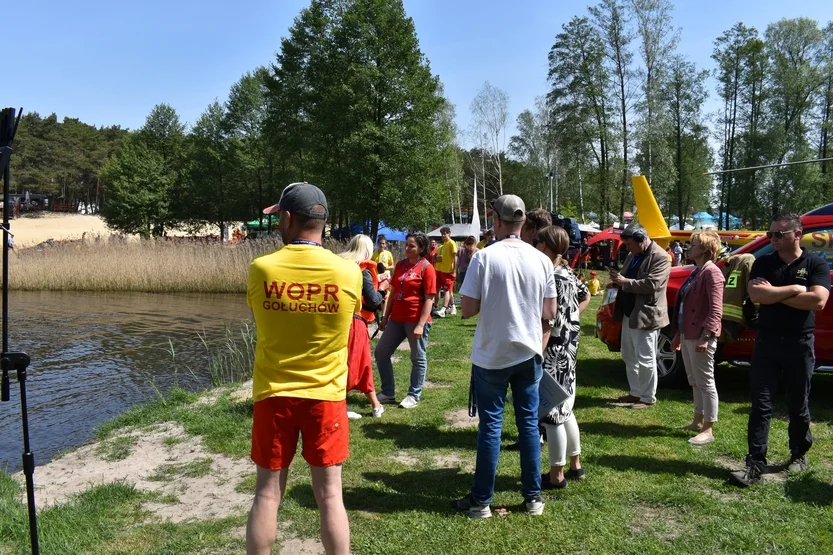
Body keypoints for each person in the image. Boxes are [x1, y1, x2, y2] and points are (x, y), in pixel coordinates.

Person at [246, 182, 361, 555]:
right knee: (330, 496)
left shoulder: (261, 269)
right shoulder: (348, 273)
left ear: (289, 218)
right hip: (325, 396)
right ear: (323, 222)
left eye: (278, 215)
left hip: (273, 393)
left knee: (267, 493)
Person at [452, 194, 557, 519]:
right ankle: (532, 499)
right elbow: (549, 311)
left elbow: (467, 310)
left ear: (496, 220)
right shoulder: (541, 259)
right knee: (527, 426)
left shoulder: (485, 257)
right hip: (528, 354)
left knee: (491, 427)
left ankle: (481, 501)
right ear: (523, 222)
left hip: (493, 355)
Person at [731, 213, 831, 487]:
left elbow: (819, 301)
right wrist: (794, 289)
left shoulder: (815, 264)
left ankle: (799, 454)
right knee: (760, 405)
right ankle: (755, 463)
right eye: (770, 234)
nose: (772, 239)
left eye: (778, 234)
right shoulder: (763, 262)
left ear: (797, 235)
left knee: (798, 404)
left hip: (800, 343)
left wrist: (775, 294)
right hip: (767, 343)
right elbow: (756, 296)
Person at [535, 225, 591, 489]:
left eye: (537, 242)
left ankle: (556, 474)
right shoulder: (567, 271)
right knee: (566, 408)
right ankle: (575, 464)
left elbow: (548, 318)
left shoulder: (551, 277)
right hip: (569, 348)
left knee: (552, 414)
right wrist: (573, 318)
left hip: (554, 351)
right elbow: (586, 294)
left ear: (545, 246)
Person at [670, 231, 725, 446]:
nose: (689, 247)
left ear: (705, 249)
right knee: (694, 381)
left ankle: (708, 429)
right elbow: (685, 306)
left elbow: (716, 310)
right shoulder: (696, 271)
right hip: (688, 334)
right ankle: (697, 421)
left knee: (705, 382)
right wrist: (678, 334)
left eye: (693, 244)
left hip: (701, 337)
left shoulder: (712, 273)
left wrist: (706, 336)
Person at [610, 223, 671, 409]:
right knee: (629, 355)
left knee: (646, 357)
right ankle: (635, 392)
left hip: (647, 314)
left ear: (642, 240)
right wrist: (617, 278)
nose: (628, 249)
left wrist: (624, 282)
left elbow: (652, 284)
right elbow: (627, 277)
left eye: (629, 245)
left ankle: (647, 397)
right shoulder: (632, 254)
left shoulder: (661, 257)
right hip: (630, 312)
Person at [374, 232, 437, 409]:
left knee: (418, 357)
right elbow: (393, 292)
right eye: (406, 245)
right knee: (381, 352)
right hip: (397, 318)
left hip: (415, 319)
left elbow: (430, 299)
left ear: (421, 248)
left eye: (411, 246)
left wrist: (420, 325)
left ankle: (413, 395)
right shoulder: (401, 264)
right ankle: (388, 391)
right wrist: (385, 317)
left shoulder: (427, 268)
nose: (407, 248)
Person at [339, 234, 390, 420]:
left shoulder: (341, 266)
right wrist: (383, 288)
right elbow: (373, 299)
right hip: (355, 322)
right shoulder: (364, 271)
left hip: (339, 320)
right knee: (359, 364)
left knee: (345, 363)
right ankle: (343, 406)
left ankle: (375, 404)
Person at [434, 226, 458, 317]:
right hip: (442, 270)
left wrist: (454, 270)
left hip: (449, 271)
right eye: (442, 234)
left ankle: (444, 309)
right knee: (448, 290)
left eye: (445, 233)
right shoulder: (444, 245)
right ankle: (452, 307)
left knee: (447, 290)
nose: (443, 235)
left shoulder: (451, 243)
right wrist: (437, 259)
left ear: (449, 233)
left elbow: (455, 257)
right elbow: (437, 259)